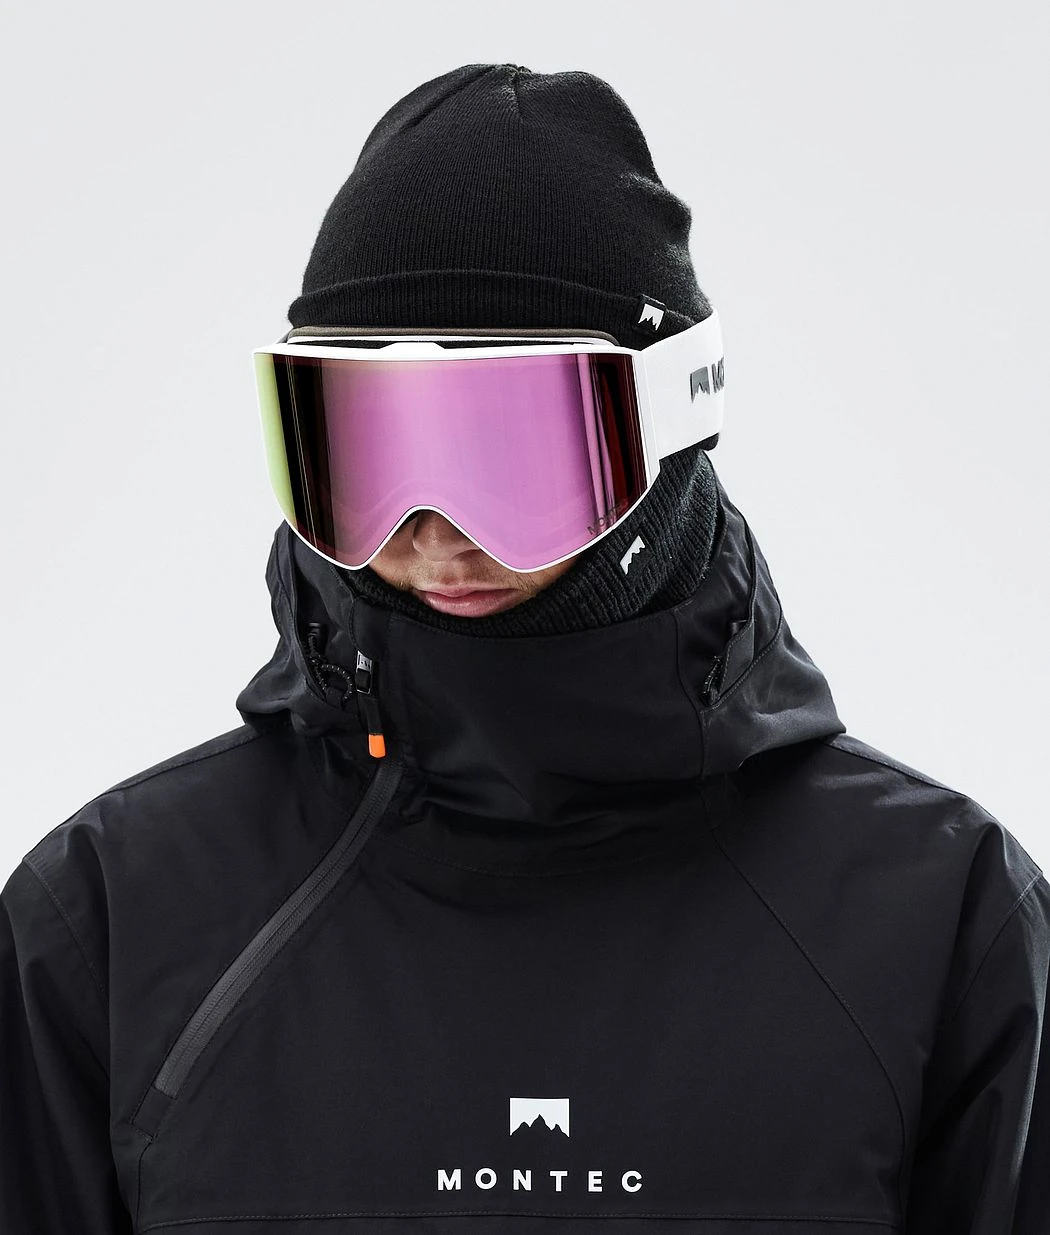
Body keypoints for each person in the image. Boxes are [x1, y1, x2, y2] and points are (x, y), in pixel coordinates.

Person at [1, 62, 1047, 1235]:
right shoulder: (113, 922)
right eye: (365, 451)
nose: (435, 532)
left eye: (511, 451)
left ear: (671, 426)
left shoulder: (938, 923)